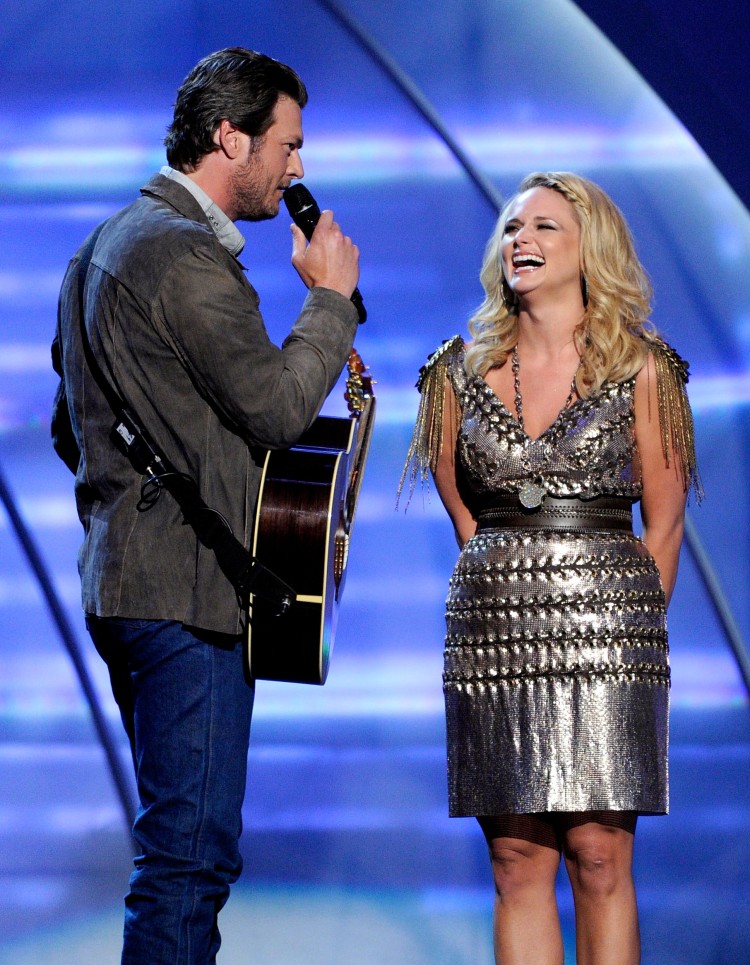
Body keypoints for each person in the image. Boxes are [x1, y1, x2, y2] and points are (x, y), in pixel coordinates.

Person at [51, 47, 361, 964]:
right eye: (288, 144)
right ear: (232, 139)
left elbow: (74, 429)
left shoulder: (99, 246)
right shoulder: (182, 255)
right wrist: (332, 303)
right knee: (190, 860)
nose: (296, 167)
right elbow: (274, 405)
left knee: (178, 850)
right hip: (187, 597)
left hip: (129, 585)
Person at [400, 171, 700, 965]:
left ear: (589, 250)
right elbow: (465, 515)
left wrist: (630, 640)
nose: (520, 241)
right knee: (516, 861)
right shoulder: (452, 374)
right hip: (497, 642)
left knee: (600, 858)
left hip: (610, 640)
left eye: (543, 228)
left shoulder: (644, 369)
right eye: (509, 229)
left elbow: (664, 522)